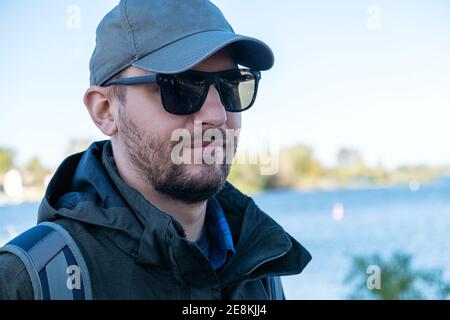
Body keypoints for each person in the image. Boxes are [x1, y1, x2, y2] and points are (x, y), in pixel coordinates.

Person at [0, 0, 311, 299]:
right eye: (180, 87)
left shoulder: (257, 264)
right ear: (105, 110)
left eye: (231, 85)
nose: (217, 115)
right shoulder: (28, 283)